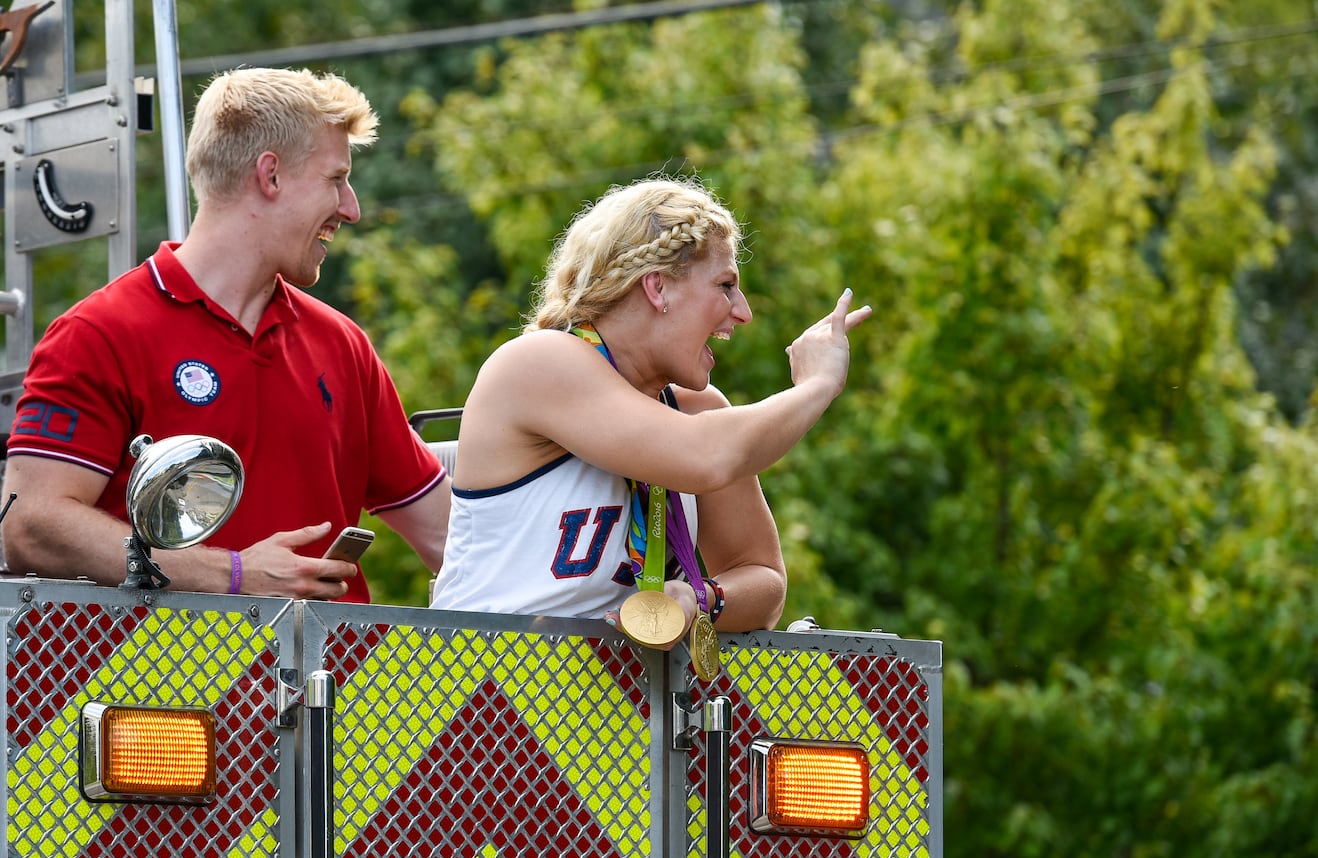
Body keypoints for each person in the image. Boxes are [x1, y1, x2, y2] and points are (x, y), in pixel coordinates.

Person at [0, 67, 449, 602]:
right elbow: (30, 526)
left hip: (323, 686)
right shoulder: (99, 333)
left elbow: (449, 536)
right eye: (335, 179)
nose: (350, 208)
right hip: (150, 687)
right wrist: (233, 575)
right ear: (271, 175)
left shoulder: (343, 344)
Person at [429, 175, 869, 638]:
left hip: (615, 707)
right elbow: (706, 457)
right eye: (725, 285)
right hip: (481, 695)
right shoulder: (538, 363)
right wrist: (817, 385)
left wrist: (702, 599)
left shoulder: (700, 412)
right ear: (657, 287)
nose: (743, 311)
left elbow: (763, 577)